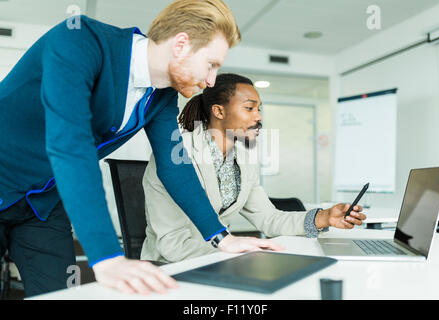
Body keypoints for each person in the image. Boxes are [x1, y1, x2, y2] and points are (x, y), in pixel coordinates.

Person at [0, 0, 265, 297]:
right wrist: (107, 256)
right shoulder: (77, 40)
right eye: (211, 64)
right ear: (181, 44)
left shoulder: (161, 96)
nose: (211, 81)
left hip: (43, 205)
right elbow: (71, 147)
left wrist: (221, 238)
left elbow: (174, 165)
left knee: (64, 294)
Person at [140, 73, 367, 263]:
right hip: (169, 267)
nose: (259, 117)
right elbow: (172, 243)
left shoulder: (244, 158)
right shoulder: (176, 154)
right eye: (249, 108)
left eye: (259, 109)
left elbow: (269, 218)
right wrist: (236, 257)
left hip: (219, 260)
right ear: (219, 112)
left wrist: (324, 218)